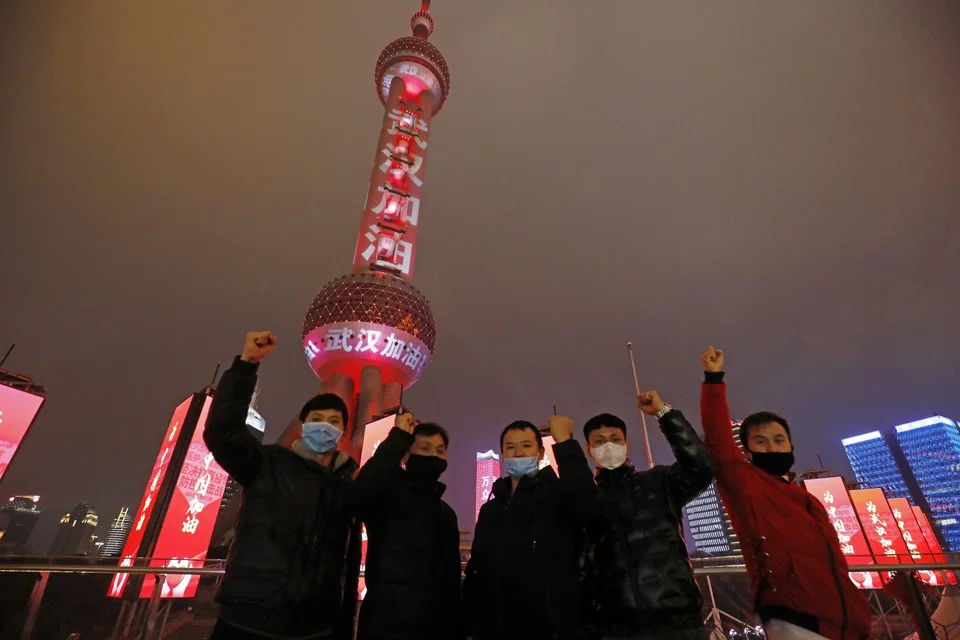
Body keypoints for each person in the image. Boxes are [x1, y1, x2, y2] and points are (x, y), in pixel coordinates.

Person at [698, 346, 871, 640]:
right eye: (761, 441)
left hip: (847, 619)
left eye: (779, 440)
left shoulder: (809, 499)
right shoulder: (744, 483)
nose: (771, 447)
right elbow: (717, 438)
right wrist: (714, 379)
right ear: (748, 450)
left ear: (791, 445)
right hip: (794, 619)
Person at [204, 331, 361, 640]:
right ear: (303, 427)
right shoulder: (267, 465)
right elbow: (223, 432)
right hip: (247, 621)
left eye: (334, 421)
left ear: (342, 432)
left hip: (314, 628)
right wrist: (246, 365)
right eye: (317, 418)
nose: (325, 425)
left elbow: (347, 564)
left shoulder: (345, 488)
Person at [584, 391, 714, 640]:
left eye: (615, 438)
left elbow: (700, 467)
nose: (608, 445)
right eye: (599, 441)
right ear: (589, 450)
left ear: (626, 444)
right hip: (617, 628)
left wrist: (664, 414)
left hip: (679, 625)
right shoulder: (588, 500)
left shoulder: (659, 482)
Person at [462, 416, 600, 640]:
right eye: (510, 447)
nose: (518, 453)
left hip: (551, 627)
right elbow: (477, 570)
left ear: (540, 453)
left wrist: (564, 441)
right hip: (498, 629)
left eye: (526, 446)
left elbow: (588, 503)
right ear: (503, 454)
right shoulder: (491, 511)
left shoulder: (558, 497)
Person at [352, 415, 462, 640]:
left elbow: (451, 580)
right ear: (407, 454)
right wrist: (397, 438)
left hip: (433, 627)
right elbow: (360, 494)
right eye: (425, 448)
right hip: (384, 624)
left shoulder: (446, 514)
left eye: (440, 451)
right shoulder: (386, 496)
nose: (433, 456)